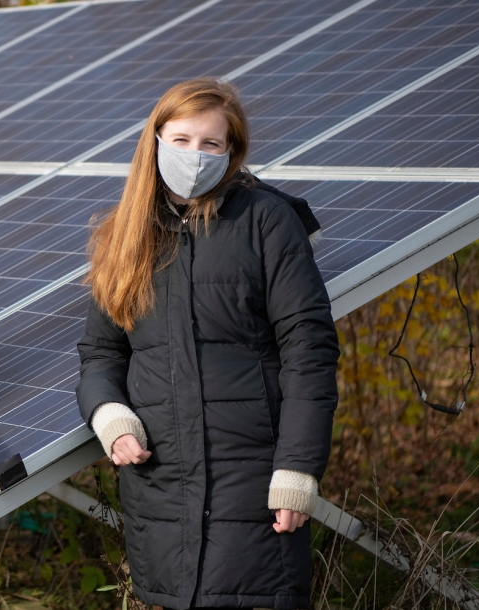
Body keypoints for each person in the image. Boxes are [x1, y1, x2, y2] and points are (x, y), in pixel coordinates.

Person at [76, 78, 339, 610]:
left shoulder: (266, 221)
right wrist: (109, 415)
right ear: (154, 142)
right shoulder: (125, 235)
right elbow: (101, 351)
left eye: (211, 144)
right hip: (159, 482)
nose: (194, 155)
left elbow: (308, 351)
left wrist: (297, 470)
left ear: (232, 152)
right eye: (181, 140)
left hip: (252, 480)